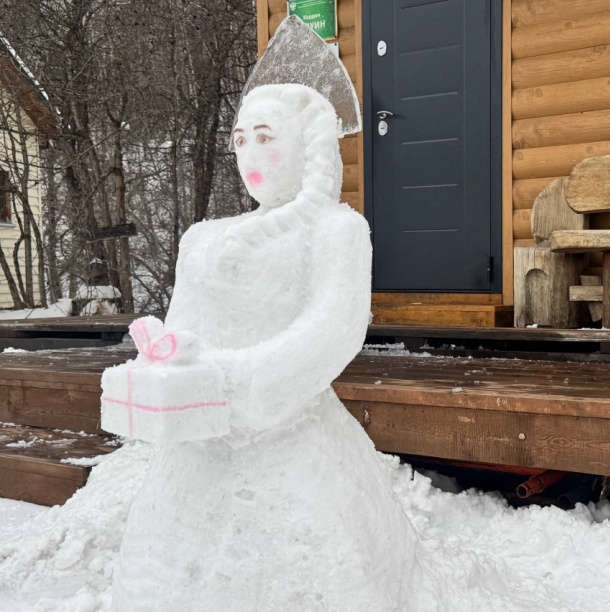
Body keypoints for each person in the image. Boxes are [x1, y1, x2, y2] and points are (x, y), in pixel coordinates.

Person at [105, 84, 419, 612]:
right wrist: (170, 355)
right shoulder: (202, 239)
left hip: (291, 433)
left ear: (306, 146)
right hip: (201, 438)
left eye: (267, 138)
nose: (250, 156)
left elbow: (332, 331)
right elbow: (187, 322)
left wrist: (239, 381)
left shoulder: (337, 230)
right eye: (241, 140)